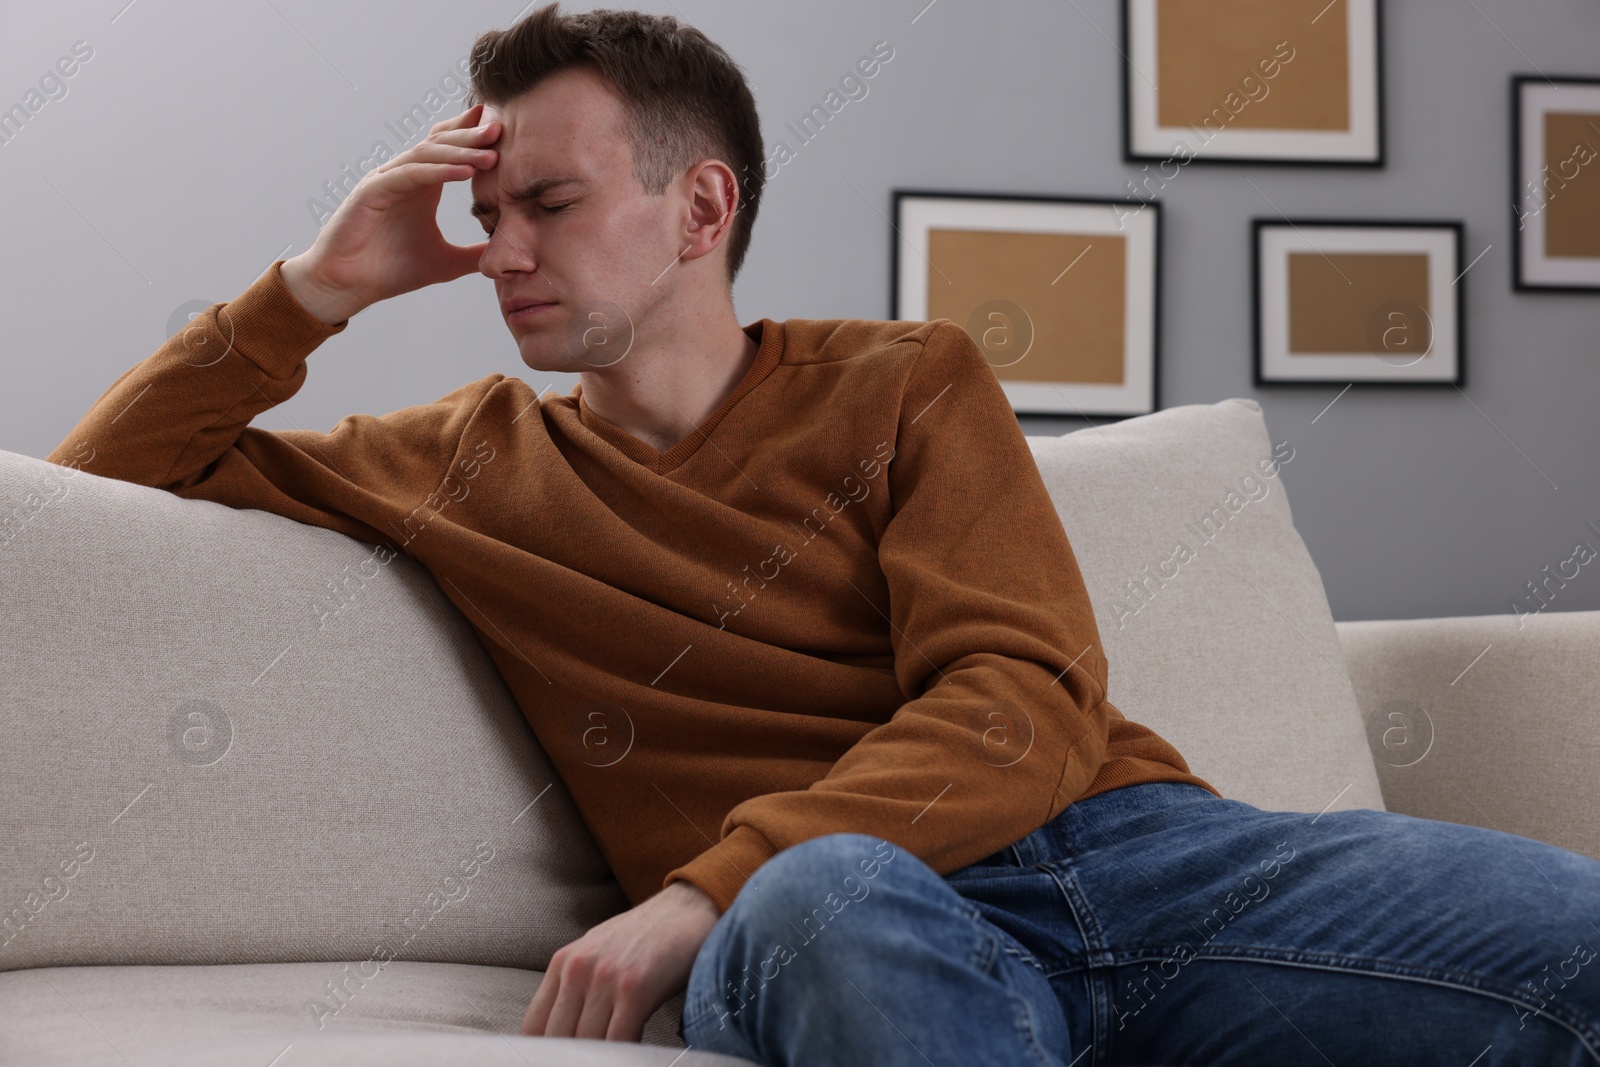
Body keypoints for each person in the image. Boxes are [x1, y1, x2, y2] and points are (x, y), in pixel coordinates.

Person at [46, 5, 1600, 1064]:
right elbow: (90, 496)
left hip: (1138, 857)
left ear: (701, 208)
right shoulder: (458, 462)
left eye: (548, 202)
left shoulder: (903, 378)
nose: (497, 247)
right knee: (835, 899)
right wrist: (318, 285)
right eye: (486, 207)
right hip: (831, 917)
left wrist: (697, 888)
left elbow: (1020, 697)